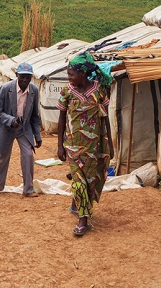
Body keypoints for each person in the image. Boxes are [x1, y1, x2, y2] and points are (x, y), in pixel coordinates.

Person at [56, 52, 115, 236]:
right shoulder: (67, 91)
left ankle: (76, 205)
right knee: (79, 181)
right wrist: (59, 145)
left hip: (93, 146)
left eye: (72, 74)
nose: (69, 78)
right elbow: (61, 118)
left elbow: (105, 119)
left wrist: (110, 145)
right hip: (72, 145)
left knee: (89, 182)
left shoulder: (98, 91)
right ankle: (83, 220)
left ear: (83, 74)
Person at [0, 62, 42, 197]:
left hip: (24, 128)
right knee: (2, 156)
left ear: (32, 77)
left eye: (28, 77)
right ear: (17, 75)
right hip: (6, 128)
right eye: (22, 76)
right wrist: (11, 120)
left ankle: (28, 189)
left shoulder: (34, 91)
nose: (25, 80)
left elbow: (35, 116)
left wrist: (38, 135)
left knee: (28, 155)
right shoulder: (6, 88)